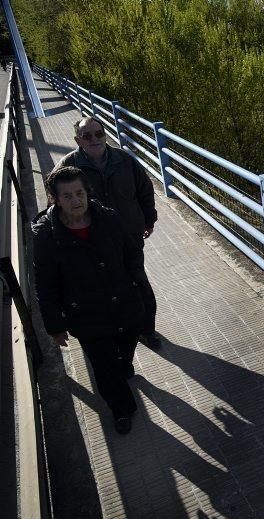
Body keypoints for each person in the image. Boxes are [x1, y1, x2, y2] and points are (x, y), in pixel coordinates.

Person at [32, 166, 145, 434]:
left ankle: (124, 365)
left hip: (124, 303)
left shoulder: (108, 218)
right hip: (87, 315)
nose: (76, 200)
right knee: (105, 368)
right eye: (67, 196)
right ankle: (122, 409)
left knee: (126, 347)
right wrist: (55, 325)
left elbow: (131, 253)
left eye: (79, 193)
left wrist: (137, 285)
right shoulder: (47, 235)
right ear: (55, 199)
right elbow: (45, 284)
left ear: (87, 192)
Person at [55, 116, 161, 349]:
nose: (94, 139)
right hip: (93, 244)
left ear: (105, 134)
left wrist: (149, 220)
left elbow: (145, 190)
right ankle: (117, 337)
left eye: (98, 133)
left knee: (139, 285)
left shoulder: (124, 160)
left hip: (129, 238)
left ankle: (146, 330)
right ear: (78, 140)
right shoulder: (67, 167)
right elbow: (55, 201)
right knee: (107, 290)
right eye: (87, 135)